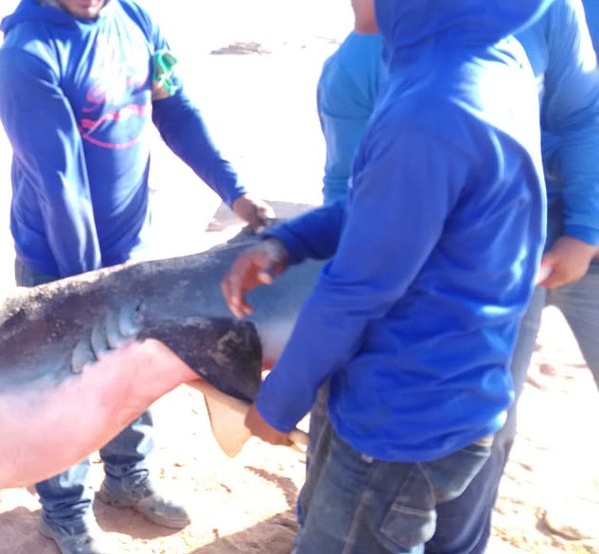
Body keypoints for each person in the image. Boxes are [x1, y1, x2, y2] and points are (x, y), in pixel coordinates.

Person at [221, 0, 552, 551]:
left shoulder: (429, 110)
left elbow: (357, 290)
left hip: (399, 420)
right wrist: (289, 241)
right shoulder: (486, 55)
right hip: (465, 390)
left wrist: (279, 401)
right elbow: (398, 206)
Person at [0, 0, 270, 552]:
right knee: (65, 385)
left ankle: (125, 480)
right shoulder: (25, 57)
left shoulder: (135, 19)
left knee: (132, 371)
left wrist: (233, 191)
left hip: (130, 253)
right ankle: (63, 508)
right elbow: (59, 184)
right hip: (59, 261)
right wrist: (92, 288)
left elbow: (176, 110)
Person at [314, 0, 599, 548]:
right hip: (475, 256)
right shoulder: (354, 67)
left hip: (561, 222)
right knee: (482, 420)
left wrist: (585, 231)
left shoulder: (546, 9)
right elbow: (347, 196)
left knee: (479, 424)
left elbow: (582, 113)